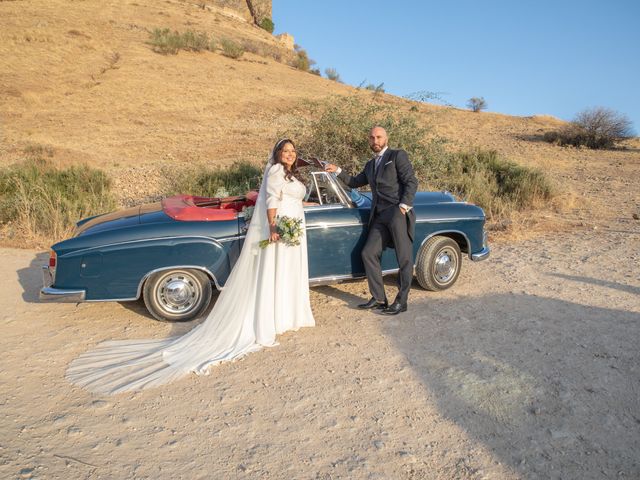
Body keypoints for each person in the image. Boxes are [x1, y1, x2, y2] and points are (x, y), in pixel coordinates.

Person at [66, 139, 315, 394]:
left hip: (293, 221)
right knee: (277, 271)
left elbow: (290, 198)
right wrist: (273, 227)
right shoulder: (275, 171)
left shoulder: (289, 173)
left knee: (283, 271)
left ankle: (283, 313)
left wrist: (308, 205)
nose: (290, 154)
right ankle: (276, 315)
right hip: (281, 226)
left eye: (293, 151)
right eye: (285, 151)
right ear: (277, 154)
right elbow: (272, 201)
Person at [325, 126, 418, 315]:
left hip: (397, 212)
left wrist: (404, 205)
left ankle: (402, 301)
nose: (375, 141)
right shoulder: (370, 165)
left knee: (404, 258)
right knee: (368, 253)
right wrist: (337, 170)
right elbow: (354, 182)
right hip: (379, 215)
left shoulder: (396, 156)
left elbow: (411, 181)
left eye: (378, 137)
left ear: (386, 138)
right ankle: (379, 298)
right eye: (372, 138)